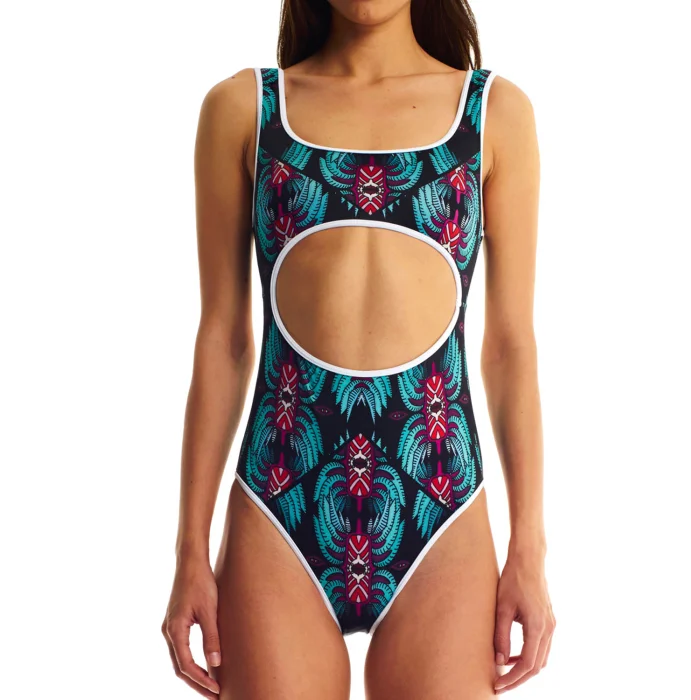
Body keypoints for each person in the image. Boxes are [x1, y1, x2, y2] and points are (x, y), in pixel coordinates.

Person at [162, 1, 555, 697]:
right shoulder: (247, 110)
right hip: (279, 505)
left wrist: (529, 547)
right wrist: (189, 548)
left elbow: (509, 347)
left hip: (441, 510)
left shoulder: (492, 113)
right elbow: (222, 339)